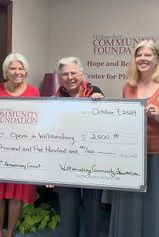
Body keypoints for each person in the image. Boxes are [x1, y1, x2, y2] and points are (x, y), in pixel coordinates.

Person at [109, 40, 159, 237]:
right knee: (130, 207)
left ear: (157, 59)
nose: (143, 59)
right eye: (139, 55)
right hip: (130, 159)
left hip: (157, 159)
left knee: (155, 208)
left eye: (148, 54)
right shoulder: (128, 87)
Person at [0, 53, 40, 237]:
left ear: (25, 71)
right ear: (6, 71)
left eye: (20, 68)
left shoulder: (34, 92)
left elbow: (38, 121)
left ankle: (9, 232)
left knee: (16, 195)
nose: (17, 72)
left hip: (21, 152)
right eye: (13, 68)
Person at [54, 56, 104, 237]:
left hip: (93, 161)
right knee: (68, 212)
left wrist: (103, 103)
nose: (69, 77)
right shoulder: (55, 98)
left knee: (93, 210)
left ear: (81, 74)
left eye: (73, 72)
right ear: (60, 77)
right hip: (65, 161)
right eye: (65, 74)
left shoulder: (95, 93)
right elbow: (51, 133)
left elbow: (106, 125)